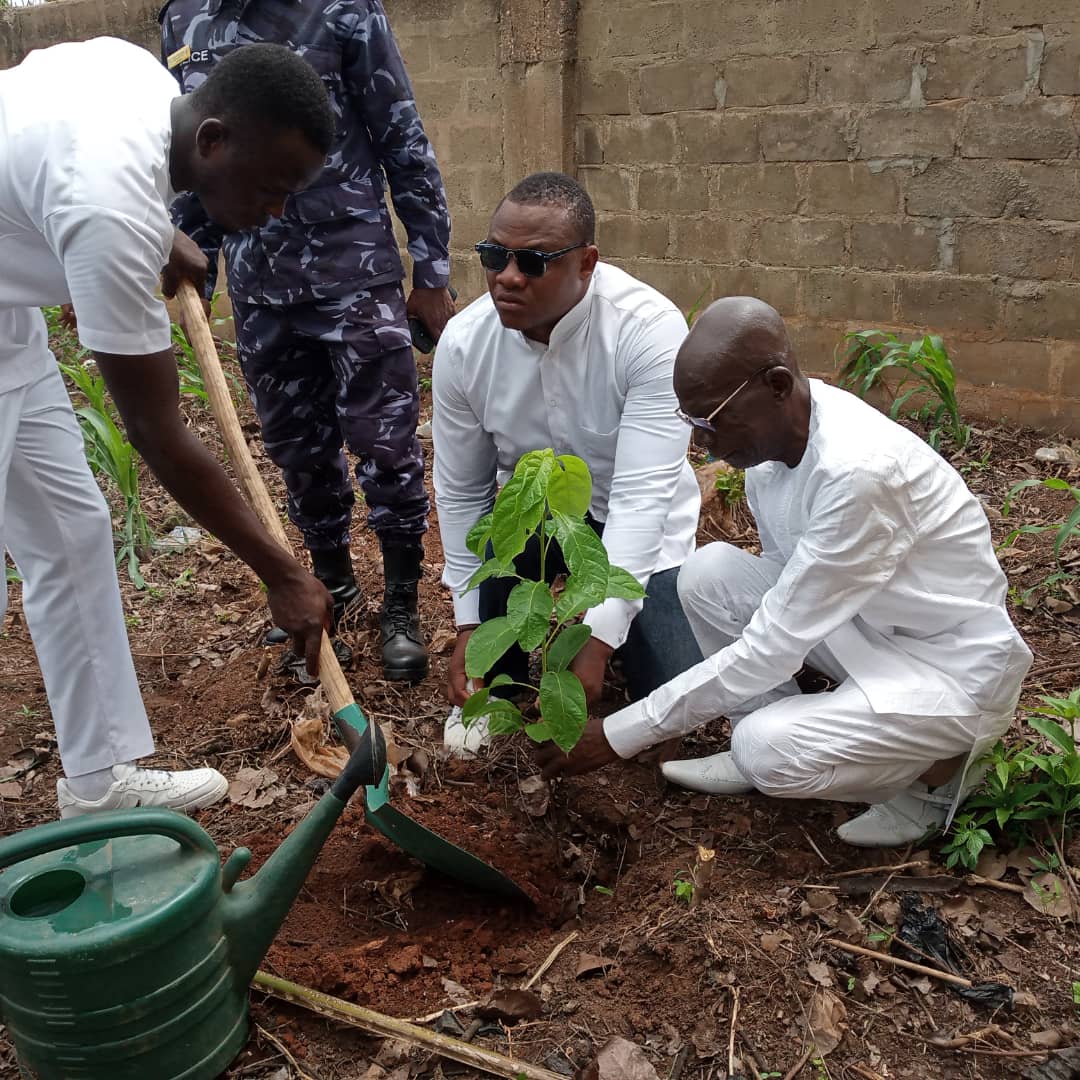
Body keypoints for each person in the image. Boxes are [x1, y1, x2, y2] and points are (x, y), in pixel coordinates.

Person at [538, 296, 1033, 847]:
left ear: (776, 384)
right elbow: (785, 593)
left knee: (766, 751)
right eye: (691, 422)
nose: (702, 442)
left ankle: (939, 776)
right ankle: (785, 728)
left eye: (712, 420)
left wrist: (618, 733)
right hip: (865, 628)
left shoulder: (857, 474)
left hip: (946, 670)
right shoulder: (771, 450)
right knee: (708, 573)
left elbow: (772, 646)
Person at [0, 37, 336, 817]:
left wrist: (159, 233)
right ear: (212, 143)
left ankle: (98, 782)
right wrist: (281, 574)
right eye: (272, 186)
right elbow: (157, 434)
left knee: (70, 531)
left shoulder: (143, 83)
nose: (277, 209)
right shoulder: (110, 205)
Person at [160, 0, 454, 683]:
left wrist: (431, 270)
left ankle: (401, 604)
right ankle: (332, 589)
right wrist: (190, 269)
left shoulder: (343, 11)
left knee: (386, 444)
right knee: (299, 451)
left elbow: (401, 138)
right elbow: (190, 157)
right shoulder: (184, 17)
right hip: (259, 283)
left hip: (353, 272)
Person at [432, 172, 704, 754]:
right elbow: (461, 492)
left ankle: (618, 641)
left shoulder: (647, 332)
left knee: (669, 690)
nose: (506, 276)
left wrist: (599, 641)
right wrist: (470, 626)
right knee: (503, 566)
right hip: (533, 514)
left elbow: (640, 500)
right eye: (494, 255)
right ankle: (496, 690)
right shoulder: (463, 345)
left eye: (532, 262)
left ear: (586, 263)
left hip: (635, 524)